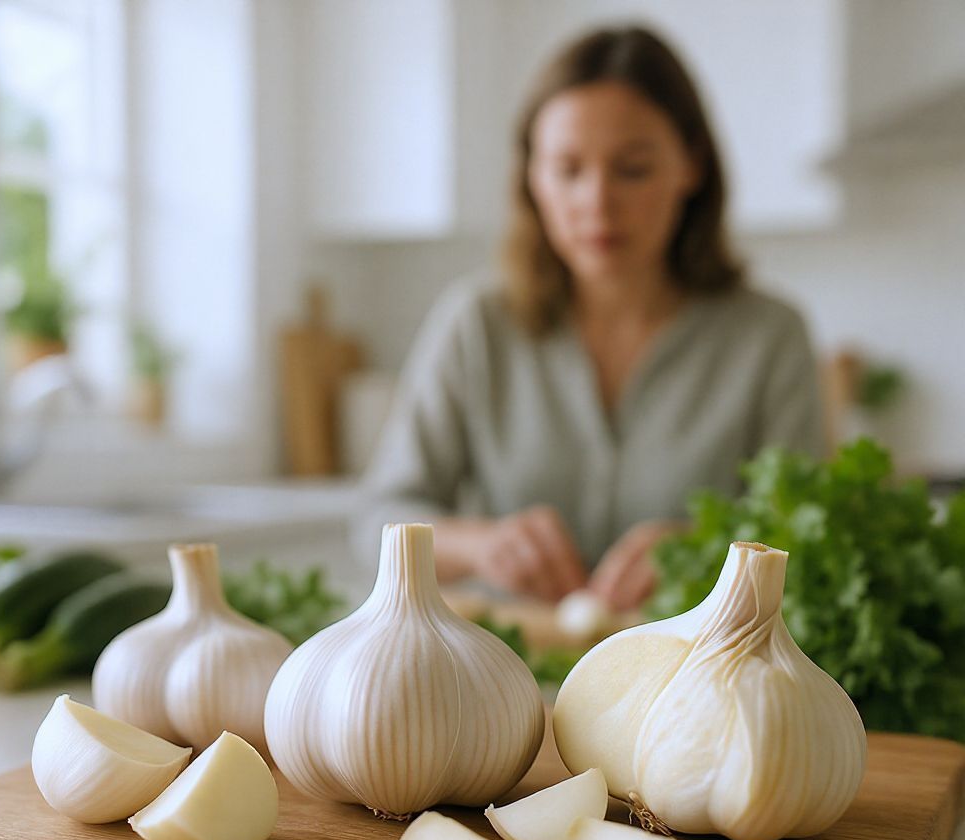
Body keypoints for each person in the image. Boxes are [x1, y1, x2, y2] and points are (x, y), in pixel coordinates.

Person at [353, 26, 825, 611]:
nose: (597, 202)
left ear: (692, 165)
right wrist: (481, 546)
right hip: (514, 661)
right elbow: (379, 518)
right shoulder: (476, 325)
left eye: (632, 169)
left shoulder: (770, 337)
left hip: (697, 666)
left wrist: (705, 549)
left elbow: (812, 535)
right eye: (568, 169)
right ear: (532, 177)